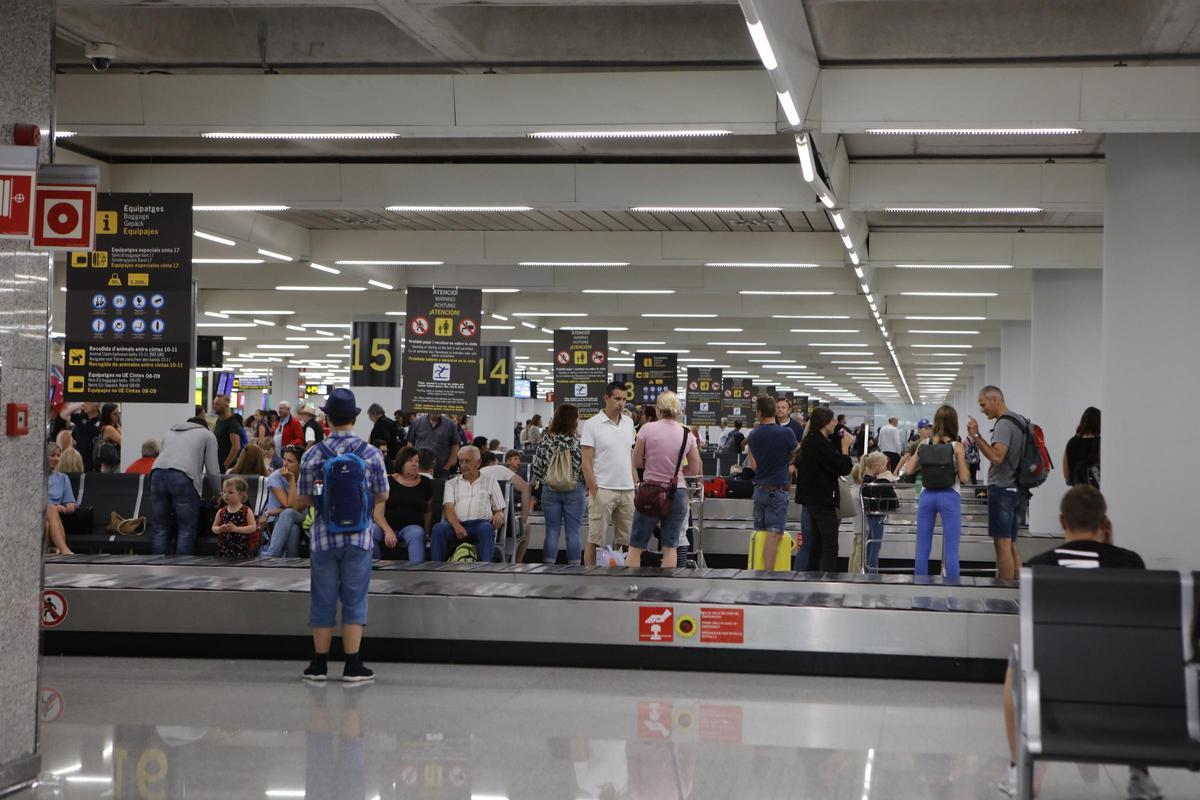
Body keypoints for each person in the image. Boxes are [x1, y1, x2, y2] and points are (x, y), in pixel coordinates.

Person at [998, 486, 1157, 799]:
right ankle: (1140, 774)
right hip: (1121, 683)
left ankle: (1018, 769)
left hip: (1055, 680)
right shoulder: (1130, 563)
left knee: (1015, 663)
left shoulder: (1038, 566)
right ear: (1104, 523)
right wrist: (1109, 547)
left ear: (1062, 521)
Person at [292, 388, 391, 684]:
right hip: (359, 538)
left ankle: (318, 665)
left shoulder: (313, 453)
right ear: (354, 418)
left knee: (322, 597)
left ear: (328, 419)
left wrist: (325, 501)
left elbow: (302, 498)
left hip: (324, 538)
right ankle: (353, 665)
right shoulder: (370, 453)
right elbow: (383, 494)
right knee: (355, 598)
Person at [627, 392, 701, 569]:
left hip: (650, 491)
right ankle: (668, 584)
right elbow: (695, 467)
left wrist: (650, 464)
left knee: (636, 546)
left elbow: (636, 462)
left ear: (658, 410)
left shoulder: (647, 429)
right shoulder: (687, 434)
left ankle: (630, 582)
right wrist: (678, 472)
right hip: (677, 492)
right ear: (678, 411)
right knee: (670, 546)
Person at [899, 405, 971, 579]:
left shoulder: (924, 444)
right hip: (949, 496)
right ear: (954, 423)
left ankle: (920, 589)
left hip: (927, 496)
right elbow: (964, 477)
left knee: (922, 549)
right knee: (951, 549)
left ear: (935, 422)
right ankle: (952, 590)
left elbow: (908, 470)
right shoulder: (957, 446)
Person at [967, 385, 1028, 581]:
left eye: (983, 404)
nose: (982, 409)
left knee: (1002, 544)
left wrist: (976, 437)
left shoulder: (1003, 424)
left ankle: (1005, 589)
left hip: (1002, 490)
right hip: (1017, 488)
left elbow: (997, 456)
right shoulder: (1020, 421)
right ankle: (1018, 588)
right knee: (1010, 543)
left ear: (996, 400)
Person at [581, 382, 638, 566]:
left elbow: (629, 456)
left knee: (627, 541)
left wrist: (635, 484)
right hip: (603, 490)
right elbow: (586, 463)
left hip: (627, 490)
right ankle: (590, 576)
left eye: (624, 399)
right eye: (617, 399)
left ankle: (623, 577)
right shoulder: (592, 425)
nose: (621, 403)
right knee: (595, 539)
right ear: (606, 398)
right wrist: (595, 491)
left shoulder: (629, 423)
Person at [150, 416, 222, 556]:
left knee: (160, 527)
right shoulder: (207, 435)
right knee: (186, 529)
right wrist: (218, 493)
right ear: (204, 426)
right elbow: (213, 471)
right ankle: (182, 566)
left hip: (156, 473)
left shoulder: (169, 432)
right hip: (182, 476)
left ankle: (158, 565)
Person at [794, 406, 854, 571]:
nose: (835, 423)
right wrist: (845, 449)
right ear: (825, 422)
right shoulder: (820, 444)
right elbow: (843, 467)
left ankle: (812, 576)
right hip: (822, 499)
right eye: (833, 420)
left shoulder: (810, 442)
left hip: (810, 499)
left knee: (815, 543)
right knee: (829, 543)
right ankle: (827, 577)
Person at [747, 395, 799, 571]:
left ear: (759, 413)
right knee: (774, 535)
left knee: (761, 534)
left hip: (759, 490)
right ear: (775, 411)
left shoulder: (753, 435)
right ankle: (767, 574)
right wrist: (788, 462)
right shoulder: (786, 433)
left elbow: (754, 465)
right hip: (777, 490)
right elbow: (797, 452)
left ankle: (757, 570)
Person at [530, 404, 585, 565]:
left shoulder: (546, 439)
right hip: (575, 490)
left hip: (550, 490)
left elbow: (537, 466)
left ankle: (548, 569)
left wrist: (546, 479)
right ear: (573, 420)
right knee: (573, 532)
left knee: (552, 532)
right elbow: (586, 466)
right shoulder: (579, 440)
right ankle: (574, 569)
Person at [429, 445, 505, 563]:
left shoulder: (491, 481)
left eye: (467, 461)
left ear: (478, 462)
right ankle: (437, 568)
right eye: (461, 461)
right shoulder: (451, 483)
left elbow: (499, 509)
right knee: (438, 529)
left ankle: (485, 569)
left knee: (486, 529)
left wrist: (499, 515)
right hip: (455, 524)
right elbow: (448, 508)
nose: (463, 465)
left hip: (480, 524)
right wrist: (457, 526)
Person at [383, 446, 433, 562]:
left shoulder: (425, 482)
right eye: (410, 461)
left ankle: (416, 569)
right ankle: (370, 569)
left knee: (417, 533)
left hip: (412, 527)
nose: (415, 464)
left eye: (417, 461)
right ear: (401, 462)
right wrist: (387, 530)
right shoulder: (388, 481)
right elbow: (377, 512)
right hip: (387, 526)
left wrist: (426, 532)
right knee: (372, 531)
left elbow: (428, 510)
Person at [480, 449, 532, 554]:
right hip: (503, 526)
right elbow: (526, 489)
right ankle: (516, 562)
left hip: (478, 525)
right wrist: (523, 519)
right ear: (495, 461)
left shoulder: (476, 474)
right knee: (526, 528)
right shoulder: (500, 469)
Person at [854, 452, 898, 574]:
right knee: (875, 544)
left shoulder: (867, 480)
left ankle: (869, 569)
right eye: (884, 466)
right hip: (876, 515)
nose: (885, 469)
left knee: (871, 542)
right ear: (876, 466)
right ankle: (873, 571)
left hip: (871, 515)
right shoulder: (872, 482)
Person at [260, 445, 305, 558]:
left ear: (301, 464)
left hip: (302, 519)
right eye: (284, 459)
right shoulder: (275, 477)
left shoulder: (307, 477)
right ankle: (292, 563)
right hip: (277, 520)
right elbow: (288, 504)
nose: (285, 464)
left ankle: (271, 554)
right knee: (293, 530)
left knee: (288, 513)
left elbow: (293, 507)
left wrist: (291, 480)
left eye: (290, 461)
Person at [405, 412, 461, 479]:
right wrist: (411, 462)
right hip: (419, 469)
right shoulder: (417, 422)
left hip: (441, 471)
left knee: (439, 486)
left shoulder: (450, 425)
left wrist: (447, 466)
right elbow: (410, 443)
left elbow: (455, 445)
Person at [212, 477, 258, 559]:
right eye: (224, 492)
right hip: (225, 549)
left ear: (241, 494)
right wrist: (220, 529)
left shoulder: (246, 511)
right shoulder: (221, 511)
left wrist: (237, 529)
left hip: (242, 549)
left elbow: (253, 527)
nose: (226, 495)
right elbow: (214, 527)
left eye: (230, 492)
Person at [45, 444, 76, 555]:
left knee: (47, 524)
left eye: (58, 455)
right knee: (52, 508)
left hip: (54, 515)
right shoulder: (36, 476)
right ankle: (64, 550)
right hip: (39, 510)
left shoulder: (63, 478)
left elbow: (70, 501)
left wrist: (71, 505)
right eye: (52, 455)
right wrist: (53, 506)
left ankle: (53, 551)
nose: (56, 458)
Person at [1063, 406, 1101, 488]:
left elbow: (1066, 475)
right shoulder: (1101, 443)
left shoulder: (1071, 442)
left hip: (1078, 492)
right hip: (1098, 492)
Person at [64, 402, 101, 472]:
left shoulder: (102, 420)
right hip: (79, 460)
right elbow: (64, 414)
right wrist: (79, 405)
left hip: (94, 462)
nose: (85, 405)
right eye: (85, 402)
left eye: (88, 403)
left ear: (96, 406)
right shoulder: (80, 418)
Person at [212, 394, 243, 472]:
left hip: (227, 468)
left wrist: (225, 466)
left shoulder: (232, 423)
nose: (214, 406)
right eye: (214, 404)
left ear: (226, 405)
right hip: (217, 464)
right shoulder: (218, 421)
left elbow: (236, 447)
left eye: (217, 404)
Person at [95, 403, 122, 472]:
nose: (118, 415)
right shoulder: (109, 428)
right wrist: (120, 430)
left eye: (118, 413)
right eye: (115, 413)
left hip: (111, 463)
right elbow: (122, 442)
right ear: (108, 415)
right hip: (112, 465)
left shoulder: (114, 426)